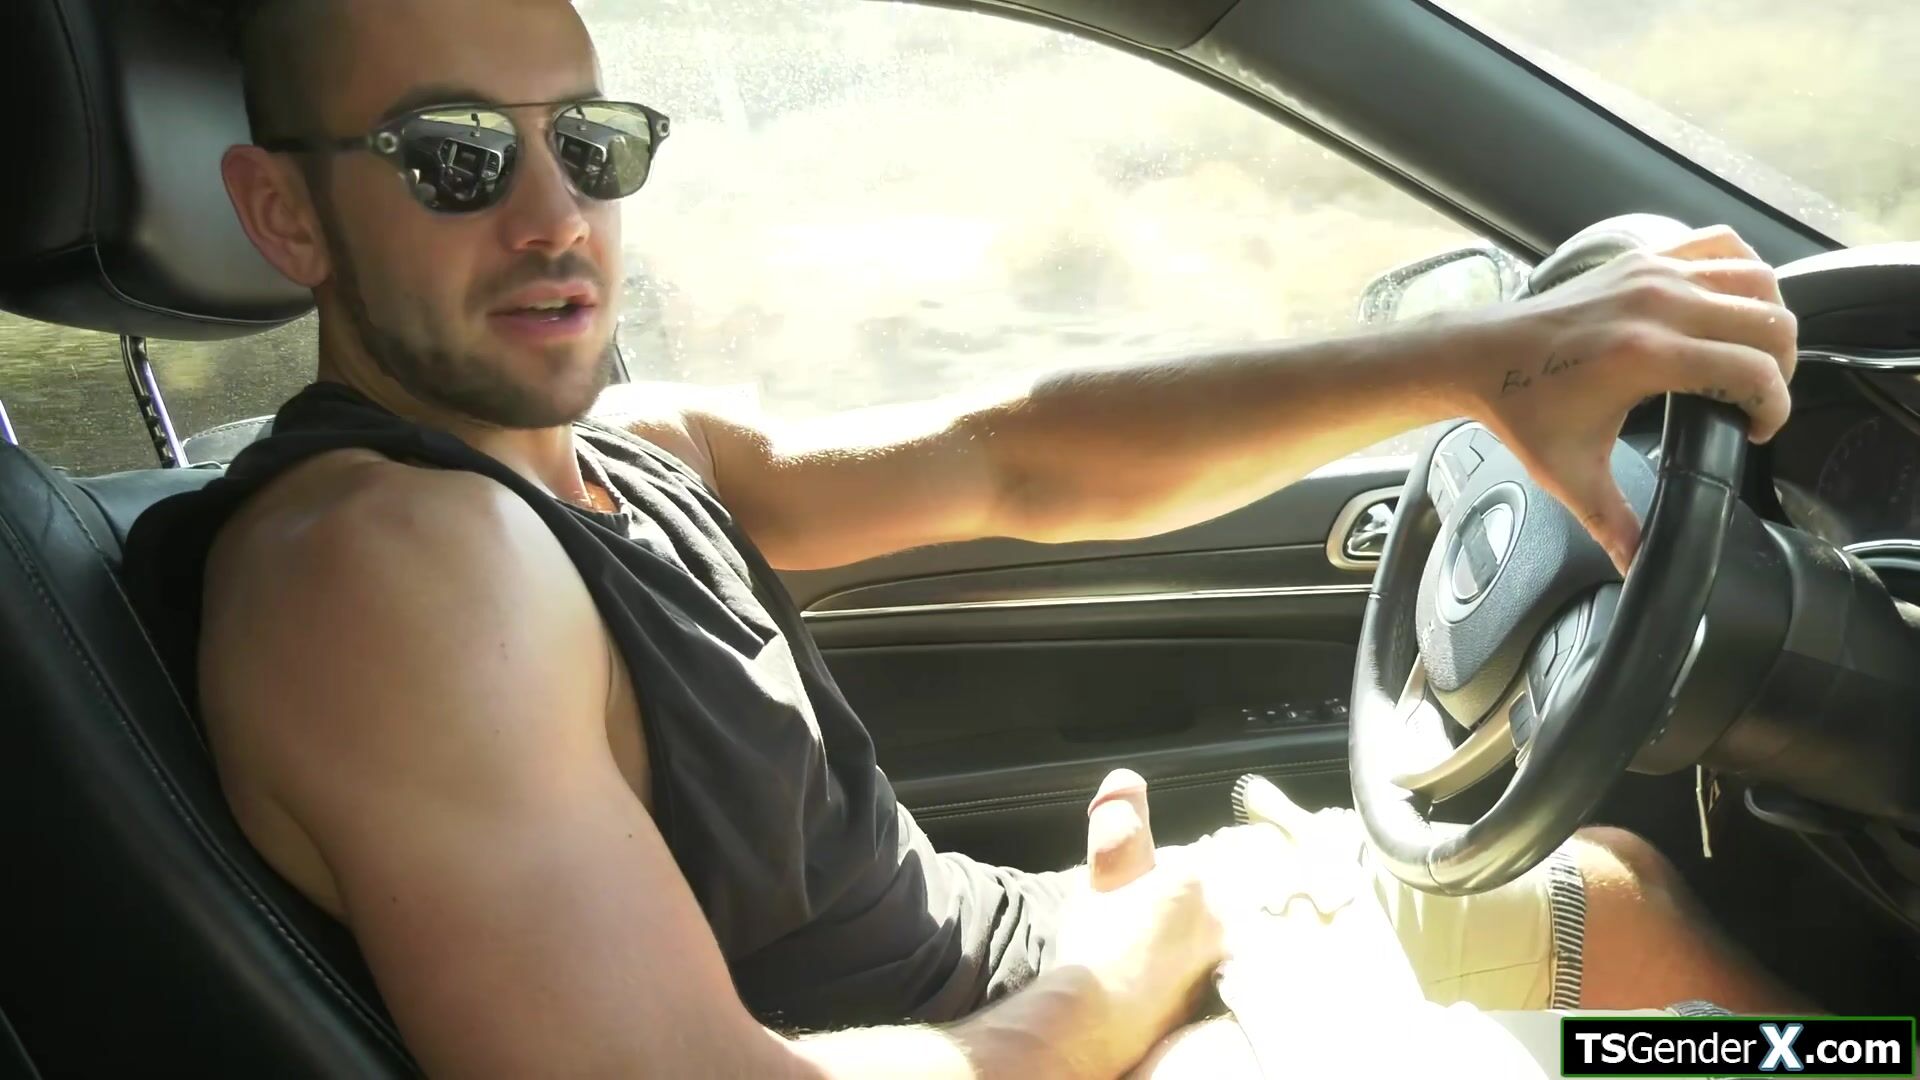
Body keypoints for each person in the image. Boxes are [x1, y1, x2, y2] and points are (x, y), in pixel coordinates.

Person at [125, 0, 1810, 1075]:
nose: (555, 213)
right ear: (285, 212)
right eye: (453, 157)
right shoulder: (385, 571)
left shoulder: (623, 455)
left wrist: (1470, 361)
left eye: (590, 143)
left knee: (1616, 909)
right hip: (1036, 1030)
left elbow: (1015, 459)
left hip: (1037, 976)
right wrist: (1124, 977)